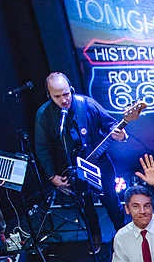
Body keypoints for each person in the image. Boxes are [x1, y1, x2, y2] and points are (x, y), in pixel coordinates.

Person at [33, 72, 127, 240]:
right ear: (49, 95)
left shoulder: (87, 105)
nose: (63, 100)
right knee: (85, 206)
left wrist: (121, 134)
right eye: (57, 96)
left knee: (112, 200)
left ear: (71, 89)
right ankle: (96, 238)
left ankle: (124, 235)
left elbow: (111, 124)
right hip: (71, 169)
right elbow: (42, 148)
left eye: (66, 94)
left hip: (99, 162)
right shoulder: (44, 115)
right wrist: (52, 175)